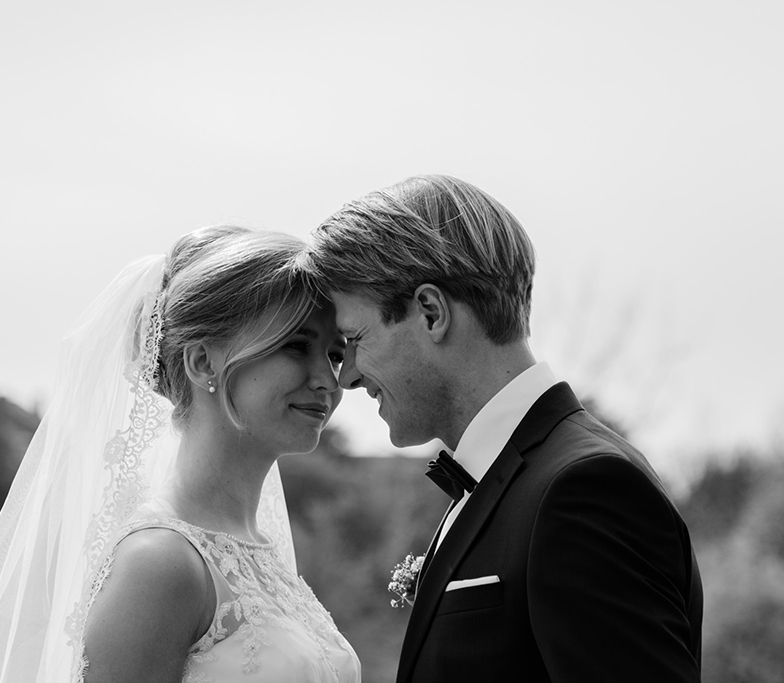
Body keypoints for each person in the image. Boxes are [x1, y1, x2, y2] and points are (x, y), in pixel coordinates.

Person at [300, 175, 702, 683]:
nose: (348, 375)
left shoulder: (583, 490)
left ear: (431, 313)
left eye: (355, 339)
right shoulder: (503, 477)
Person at [0, 226, 360, 683]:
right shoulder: (160, 562)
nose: (328, 379)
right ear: (203, 362)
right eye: (296, 346)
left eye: (335, 354)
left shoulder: (263, 554)